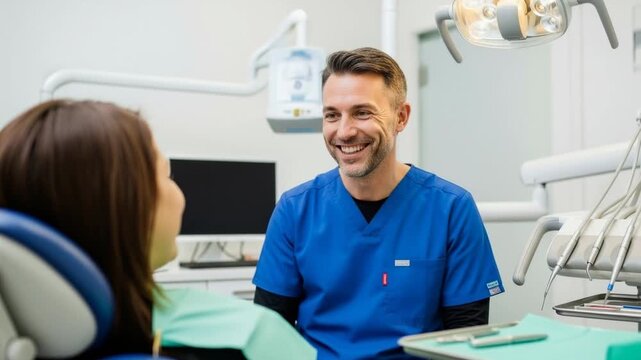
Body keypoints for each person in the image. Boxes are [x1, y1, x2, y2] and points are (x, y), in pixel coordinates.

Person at [0, 99, 316, 359]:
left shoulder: (33, 332)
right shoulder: (252, 336)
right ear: (126, 207)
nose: (179, 195)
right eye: (167, 175)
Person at [253, 47, 504, 359]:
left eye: (362, 112)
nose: (344, 131)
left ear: (400, 117)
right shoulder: (295, 210)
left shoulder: (451, 209)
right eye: (332, 115)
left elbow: (467, 337)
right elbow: (269, 332)